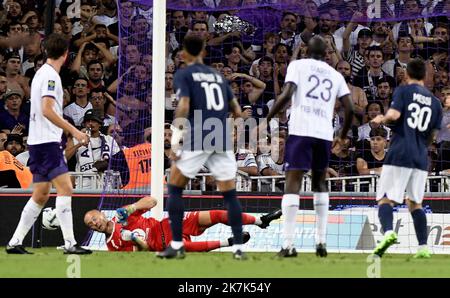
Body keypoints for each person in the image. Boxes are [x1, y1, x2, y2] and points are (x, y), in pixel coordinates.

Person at [157, 34, 244, 260]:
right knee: (229, 193)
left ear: (184, 53)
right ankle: (238, 248)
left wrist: (175, 140)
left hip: (199, 135)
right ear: (204, 51)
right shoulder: (217, 76)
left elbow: (184, 106)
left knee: (175, 186)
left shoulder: (184, 74)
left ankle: (177, 244)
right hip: (221, 135)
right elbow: (236, 110)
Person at [266, 36, 354, 258]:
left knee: (292, 183)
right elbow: (350, 108)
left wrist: (268, 116)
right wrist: (342, 136)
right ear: (326, 54)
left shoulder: (298, 65)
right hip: (323, 134)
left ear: (305, 51)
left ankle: (288, 245)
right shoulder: (335, 75)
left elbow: (286, 94)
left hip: (301, 131)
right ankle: (321, 243)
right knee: (319, 183)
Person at [6, 33, 92, 255]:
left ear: (46, 51)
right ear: (65, 55)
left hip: (38, 142)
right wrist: (74, 131)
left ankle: (15, 242)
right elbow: (46, 109)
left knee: (41, 194)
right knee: (66, 188)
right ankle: (70, 243)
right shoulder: (51, 77)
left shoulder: (41, 74)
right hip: (46, 142)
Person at [371, 58, 443, 259]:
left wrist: (380, 119)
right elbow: (433, 137)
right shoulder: (435, 103)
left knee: (386, 198)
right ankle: (423, 247)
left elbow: (393, 115)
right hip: (421, 157)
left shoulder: (403, 91)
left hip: (400, 152)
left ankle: (388, 233)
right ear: (425, 75)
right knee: (414, 203)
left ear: (406, 73)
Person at [84, 196, 281, 252]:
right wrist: (135, 239)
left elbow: (152, 201)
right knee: (185, 247)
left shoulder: (124, 214)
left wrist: (132, 207)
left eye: (94, 218)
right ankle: (229, 242)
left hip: (169, 224)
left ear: (101, 214)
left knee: (217, 214)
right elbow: (142, 252)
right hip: (160, 243)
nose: (94, 224)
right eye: (90, 225)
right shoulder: (113, 245)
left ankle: (260, 220)